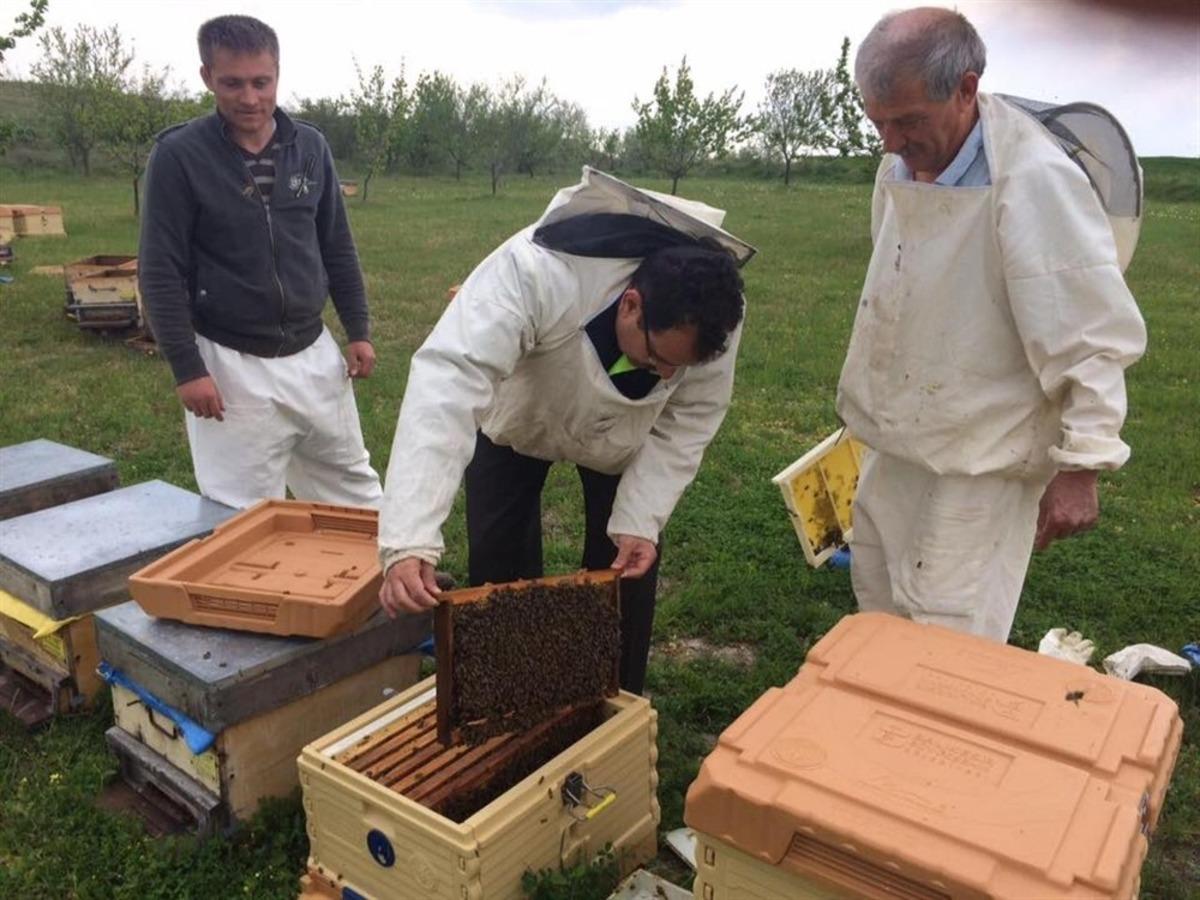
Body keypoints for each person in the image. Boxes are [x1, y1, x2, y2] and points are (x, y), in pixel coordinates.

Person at [376, 168, 752, 694]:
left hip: (624, 437)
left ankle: (612, 701)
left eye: (679, 367)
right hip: (521, 413)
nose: (668, 376)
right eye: (658, 358)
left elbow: (690, 417)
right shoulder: (534, 271)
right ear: (631, 305)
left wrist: (641, 518)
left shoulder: (716, 317)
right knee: (499, 568)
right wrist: (409, 538)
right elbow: (449, 382)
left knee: (626, 572)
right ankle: (506, 694)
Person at [836, 7, 1146, 641]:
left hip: (983, 462)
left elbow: (1089, 333)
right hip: (897, 444)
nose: (890, 141)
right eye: (878, 121)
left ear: (966, 88)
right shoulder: (895, 168)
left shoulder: (1035, 181)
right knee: (878, 611)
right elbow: (902, 288)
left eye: (907, 121)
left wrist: (1083, 463)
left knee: (947, 635)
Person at [138, 14, 382, 510]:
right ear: (207, 77)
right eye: (232, 83)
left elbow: (336, 245)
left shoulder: (310, 147)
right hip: (232, 362)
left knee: (353, 492)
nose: (249, 97)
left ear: (277, 74)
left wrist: (358, 329)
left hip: (313, 354)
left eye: (261, 82)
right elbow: (160, 271)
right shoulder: (179, 155)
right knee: (244, 514)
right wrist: (187, 368)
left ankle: (381, 562)